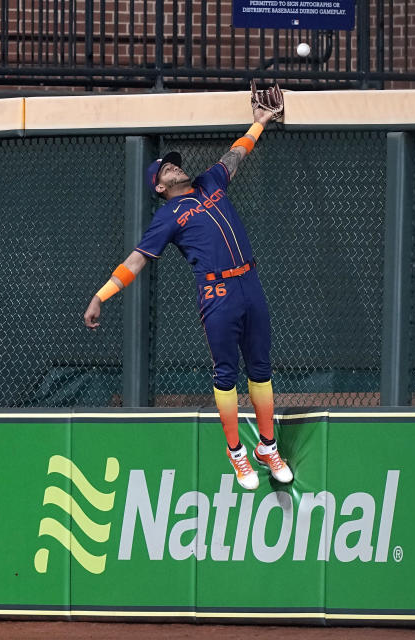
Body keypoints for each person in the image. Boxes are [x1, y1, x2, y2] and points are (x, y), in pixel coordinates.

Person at [83, 86, 291, 491]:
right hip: (217, 295)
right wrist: (100, 295)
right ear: (159, 186)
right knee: (226, 375)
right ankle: (236, 453)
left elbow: (238, 153)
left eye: (174, 165)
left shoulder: (209, 182)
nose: (176, 168)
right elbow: (136, 260)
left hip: (248, 281)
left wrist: (261, 121)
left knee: (261, 369)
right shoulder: (167, 215)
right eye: (167, 169)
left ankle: (268, 446)